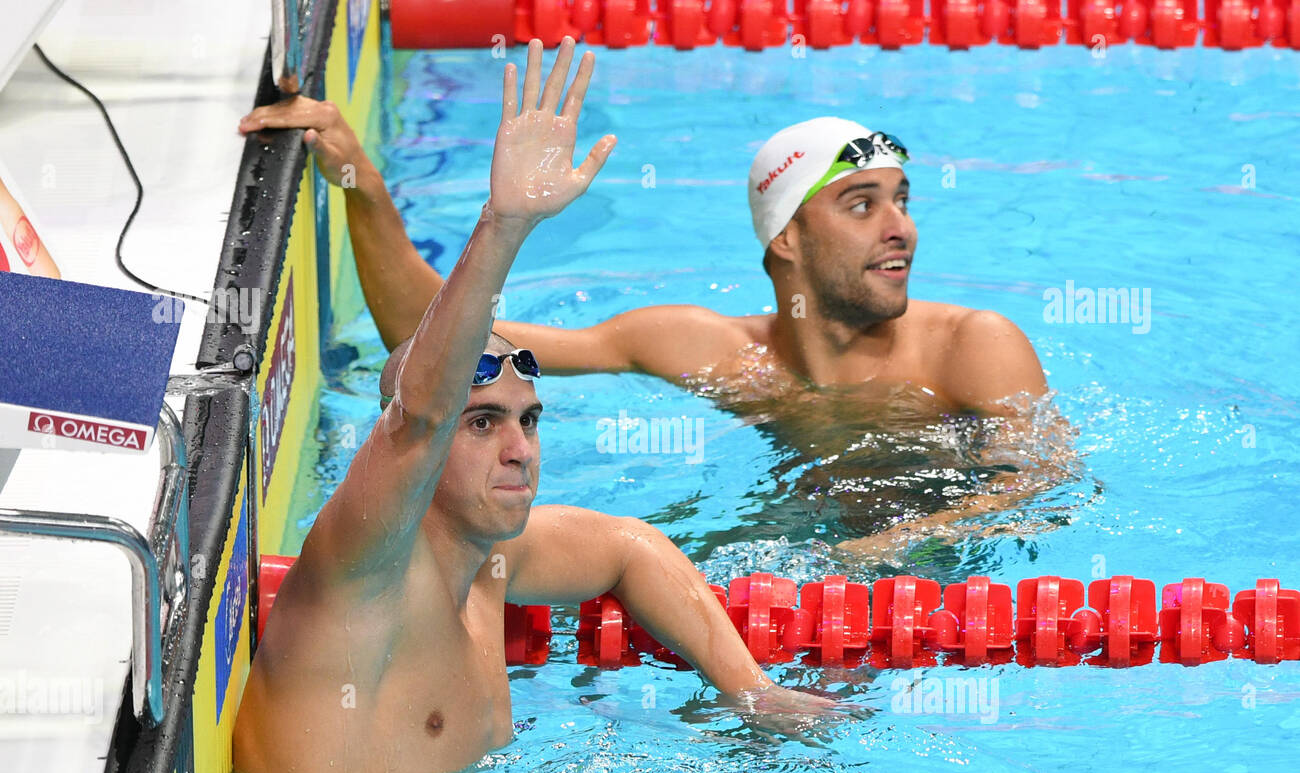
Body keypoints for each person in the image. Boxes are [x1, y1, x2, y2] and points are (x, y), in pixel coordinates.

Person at [233, 38, 833, 773]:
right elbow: (418, 415)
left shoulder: (489, 561)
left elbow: (629, 547)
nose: (520, 449)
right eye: (482, 423)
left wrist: (749, 691)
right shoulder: (367, 570)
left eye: (529, 420)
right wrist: (503, 224)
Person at [238, 66, 1069, 560]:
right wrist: (364, 188)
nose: (901, 229)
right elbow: (436, 340)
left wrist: (893, 548)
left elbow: (1046, 485)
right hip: (798, 531)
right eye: (861, 205)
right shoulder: (707, 351)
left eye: (902, 201)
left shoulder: (972, 347)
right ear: (786, 242)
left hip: (939, 589)